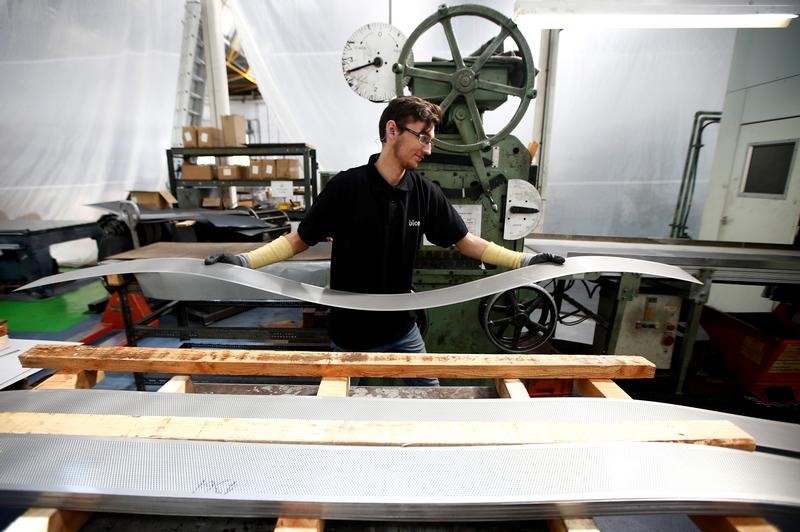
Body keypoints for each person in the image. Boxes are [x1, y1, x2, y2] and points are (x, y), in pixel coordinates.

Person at [205, 95, 564, 386]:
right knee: (339, 413)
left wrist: (525, 262)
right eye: (422, 137)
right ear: (392, 130)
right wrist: (244, 261)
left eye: (431, 141)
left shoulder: (424, 192)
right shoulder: (347, 187)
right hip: (349, 334)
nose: (427, 149)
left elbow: (467, 241)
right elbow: (299, 240)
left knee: (429, 397)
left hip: (401, 329)